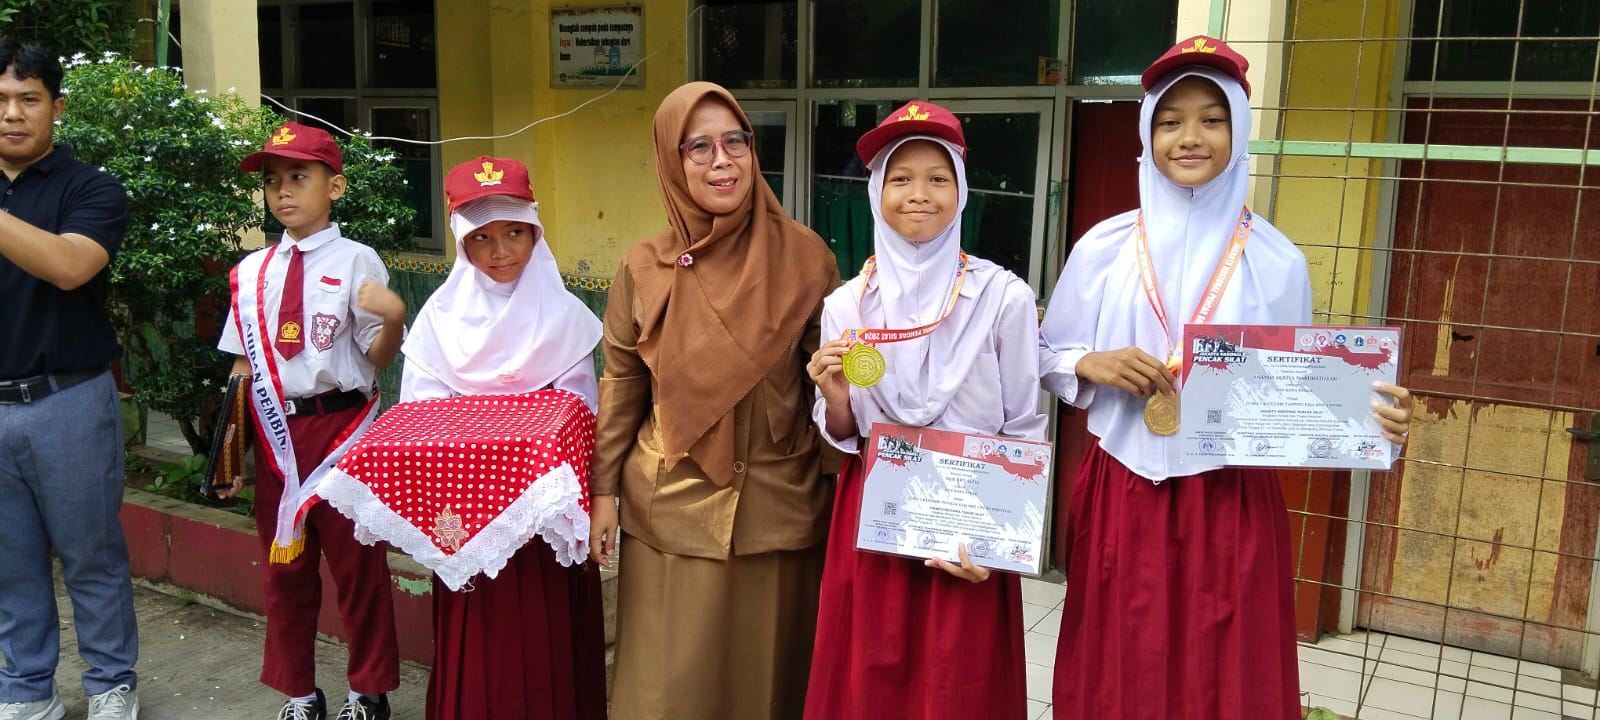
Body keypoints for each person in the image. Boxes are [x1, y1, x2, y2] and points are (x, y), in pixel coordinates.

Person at [1038, 36, 1415, 719]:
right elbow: (1047, 353)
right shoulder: (1103, 247)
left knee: (1224, 676)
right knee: (1118, 668)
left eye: (1212, 119)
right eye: (1170, 120)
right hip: (1124, 486)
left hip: (1228, 499)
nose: (1190, 137)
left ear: (1239, 130)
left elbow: (1296, 388)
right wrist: (1088, 363)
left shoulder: (1276, 260)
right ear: (1147, 133)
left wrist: (1368, 415)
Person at [587, 81, 840, 719]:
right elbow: (622, 384)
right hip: (669, 508)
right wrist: (604, 492)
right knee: (666, 692)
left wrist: (845, 490)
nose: (721, 160)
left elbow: (831, 391)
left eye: (735, 141)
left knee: (768, 687)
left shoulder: (806, 258)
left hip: (778, 509)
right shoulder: (643, 267)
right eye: (698, 147)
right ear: (671, 162)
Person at [802, 101, 1047, 720]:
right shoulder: (847, 305)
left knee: (959, 682)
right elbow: (845, 432)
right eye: (900, 178)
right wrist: (836, 397)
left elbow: (1023, 425)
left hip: (972, 514)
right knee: (870, 681)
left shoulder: (1002, 297)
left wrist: (998, 544)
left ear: (961, 190)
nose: (919, 194)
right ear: (876, 191)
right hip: (879, 512)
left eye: (938, 178)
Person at [396, 155, 607, 719]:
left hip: (546, 527)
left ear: (536, 232)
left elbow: (582, 418)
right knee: (484, 645)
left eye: (515, 232)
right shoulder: (437, 323)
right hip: (466, 523)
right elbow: (421, 422)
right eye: (482, 237)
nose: (500, 251)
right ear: (462, 242)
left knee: (548, 637)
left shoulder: (566, 318)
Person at [216, 121, 406, 720]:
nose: (283, 191)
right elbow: (242, 367)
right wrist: (231, 450)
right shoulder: (252, 272)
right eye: (273, 180)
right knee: (285, 572)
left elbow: (378, 357)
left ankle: (367, 692)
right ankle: (299, 693)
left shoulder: (357, 260)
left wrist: (394, 319)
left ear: (335, 187)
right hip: (279, 438)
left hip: (344, 432)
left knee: (358, 569)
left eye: (299, 176)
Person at [0, 38, 140, 720]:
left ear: (56, 107)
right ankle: (27, 689)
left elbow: (67, 266)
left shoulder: (91, 189)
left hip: (69, 399)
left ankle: (112, 683)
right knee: (9, 562)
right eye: (1, 100)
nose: (12, 113)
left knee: (92, 555)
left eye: (28, 99)